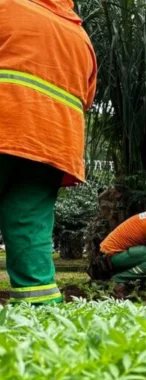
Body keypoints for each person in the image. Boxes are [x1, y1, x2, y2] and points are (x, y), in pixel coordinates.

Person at [0, 0, 98, 305]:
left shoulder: (7, 7)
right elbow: (88, 96)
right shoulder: (80, 37)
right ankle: (42, 310)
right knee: (30, 229)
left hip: (6, 124)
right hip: (52, 146)